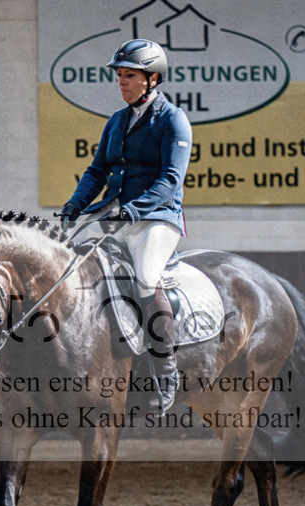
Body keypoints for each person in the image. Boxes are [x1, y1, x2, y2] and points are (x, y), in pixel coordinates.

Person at [61, 39, 193, 414]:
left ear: (152, 79)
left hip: (157, 218)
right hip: (116, 215)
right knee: (76, 268)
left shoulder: (172, 119)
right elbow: (96, 171)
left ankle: (167, 372)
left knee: (146, 278)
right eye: (119, 76)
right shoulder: (117, 121)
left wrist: (136, 210)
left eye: (129, 76)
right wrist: (75, 204)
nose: (122, 82)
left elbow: (170, 179)